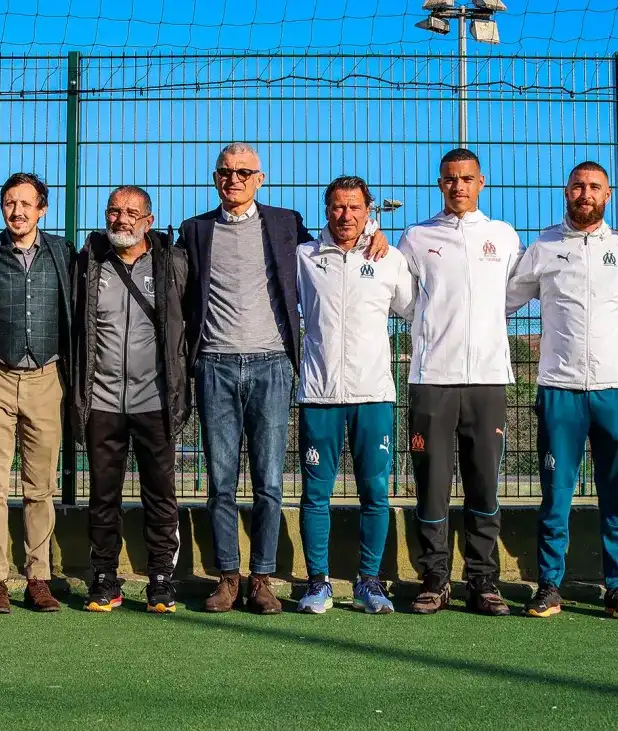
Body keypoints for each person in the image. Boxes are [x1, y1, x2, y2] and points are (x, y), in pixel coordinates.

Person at [178, 143, 386, 614]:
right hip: (214, 366)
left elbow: (336, 247)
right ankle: (228, 577)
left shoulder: (285, 223)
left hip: (273, 366)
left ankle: (263, 578)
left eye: (244, 172)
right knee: (221, 482)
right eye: (226, 172)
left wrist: (377, 232)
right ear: (215, 178)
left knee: (270, 482)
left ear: (260, 178)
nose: (234, 179)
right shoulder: (195, 230)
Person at [506, 161, 618, 620]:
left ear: (608, 195)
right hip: (559, 391)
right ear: (565, 191)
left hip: (615, 390)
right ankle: (549, 585)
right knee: (556, 496)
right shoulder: (543, 247)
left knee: (616, 495)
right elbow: (502, 300)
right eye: (578, 186)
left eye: (595, 187)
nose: (585, 193)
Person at [397, 148, 521, 616]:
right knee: (431, 484)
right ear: (439, 183)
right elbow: (404, 298)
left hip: (488, 379)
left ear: (481, 182)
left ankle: (483, 580)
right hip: (433, 378)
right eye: (450, 179)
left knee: (484, 483)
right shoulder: (417, 236)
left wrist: (483, 322)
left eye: (466, 178)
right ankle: (434, 576)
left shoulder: (503, 237)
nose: (458, 187)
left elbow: (513, 294)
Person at [294, 176, 413, 615]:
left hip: (373, 395)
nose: (345, 216)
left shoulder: (388, 258)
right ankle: (318, 583)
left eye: (354, 208)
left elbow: (417, 311)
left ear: (369, 212)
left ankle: (369, 582)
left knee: (375, 493)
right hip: (318, 395)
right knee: (315, 494)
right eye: (337, 207)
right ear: (327, 210)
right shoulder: (304, 257)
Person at [0, 172, 72, 614]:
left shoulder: (63, 253)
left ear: (43, 208)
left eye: (26, 204)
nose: (17, 211)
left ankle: (38, 578)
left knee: (40, 487)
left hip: (46, 378)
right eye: (9, 203)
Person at [75, 186, 190, 614]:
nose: (121, 219)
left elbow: (188, 321)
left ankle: (161, 578)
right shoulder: (88, 263)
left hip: (155, 401)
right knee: (103, 495)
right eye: (114, 211)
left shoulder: (172, 262)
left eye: (131, 212)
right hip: (102, 400)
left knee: (160, 494)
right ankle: (104, 577)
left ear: (149, 218)